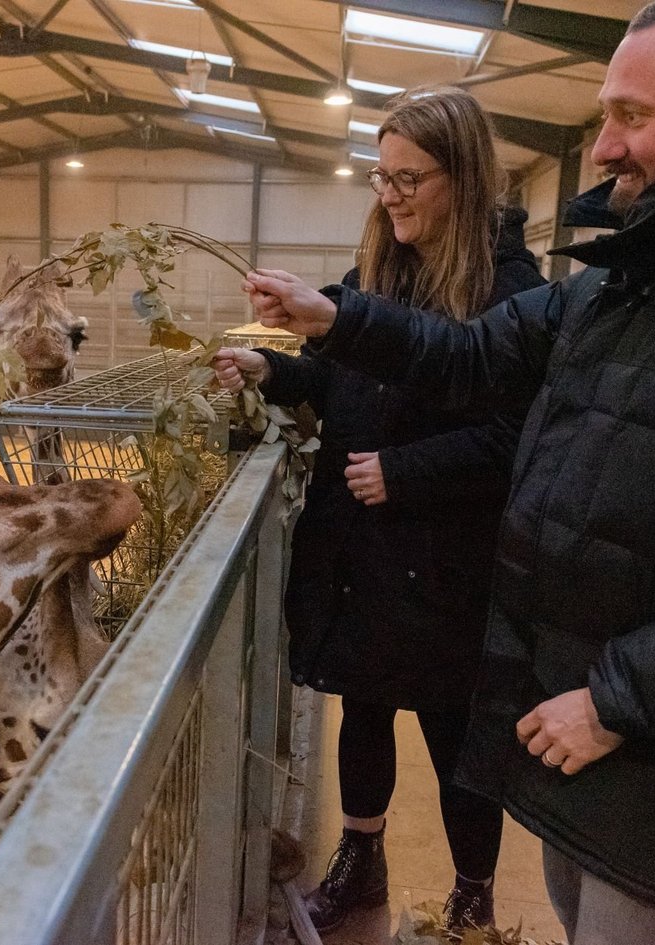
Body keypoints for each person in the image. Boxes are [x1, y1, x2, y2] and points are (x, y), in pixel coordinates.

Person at [241, 2, 655, 943]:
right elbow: (468, 360)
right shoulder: (616, 282)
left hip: (654, 740)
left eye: (631, 118)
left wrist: (617, 698)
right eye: (603, 116)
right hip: (574, 714)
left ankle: (472, 883)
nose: (601, 149)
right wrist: (331, 321)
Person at [214, 86, 545, 934]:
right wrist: (273, 370)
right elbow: (338, 375)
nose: (390, 194)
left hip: (447, 557)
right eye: (381, 176)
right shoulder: (379, 270)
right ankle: (362, 857)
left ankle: (472, 892)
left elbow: (520, 433)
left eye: (410, 178)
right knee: (361, 708)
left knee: (453, 730)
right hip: (361, 545)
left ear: (463, 177)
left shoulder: (510, 286)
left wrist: (409, 470)